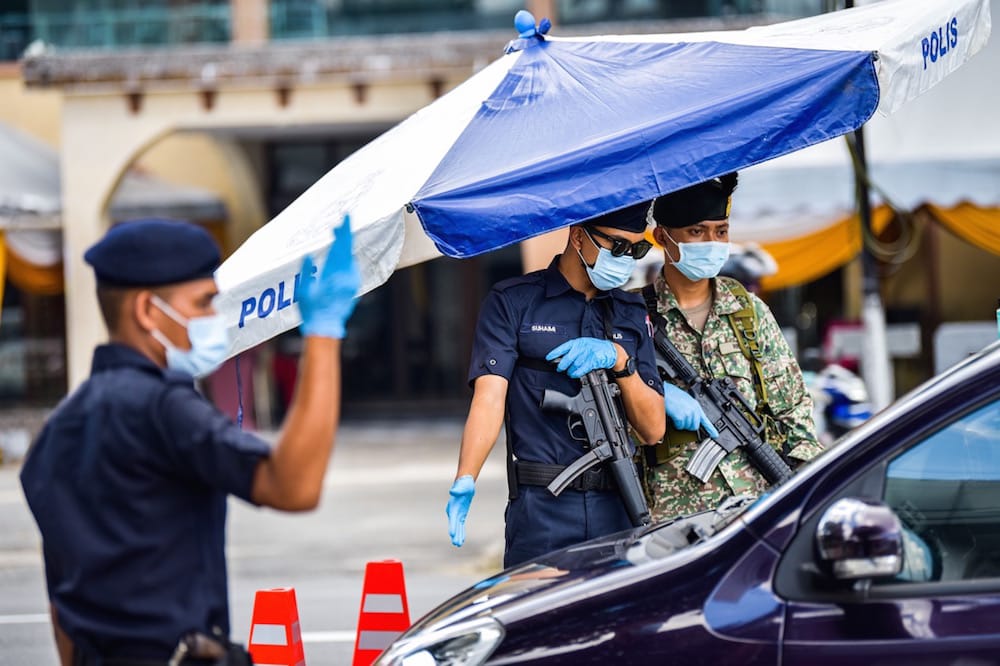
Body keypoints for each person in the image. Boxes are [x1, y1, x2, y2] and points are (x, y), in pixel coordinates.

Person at [19, 216, 359, 665]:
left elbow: (61, 607)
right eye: (202, 303)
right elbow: (292, 486)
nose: (213, 319)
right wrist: (323, 335)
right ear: (146, 311)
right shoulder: (163, 407)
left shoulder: (56, 432)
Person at [446, 202, 666, 568]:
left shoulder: (631, 312)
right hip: (541, 510)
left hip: (619, 505)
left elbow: (653, 428)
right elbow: (489, 397)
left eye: (636, 249)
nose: (626, 258)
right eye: (617, 246)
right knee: (535, 620)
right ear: (578, 236)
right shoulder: (514, 302)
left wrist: (620, 360)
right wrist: (466, 476)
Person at [642, 174, 823, 521]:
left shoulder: (747, 312)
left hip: (753, 513)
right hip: (672, 519)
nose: (711, 242)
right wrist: (656, 394)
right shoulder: (633, 317)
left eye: (720, 231)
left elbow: (793, 409)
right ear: (662, 237)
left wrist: (806, 483)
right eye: (697, 232)